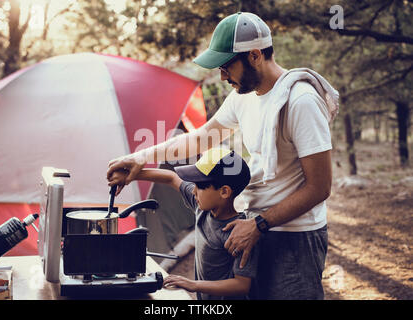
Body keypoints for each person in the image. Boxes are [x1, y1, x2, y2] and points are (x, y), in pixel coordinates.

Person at [107, 12, 339, 299]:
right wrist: (140, 158)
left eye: (227, 66)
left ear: (254, 55)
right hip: (255, 226)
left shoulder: (300, 101)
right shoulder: (243, 96)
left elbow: (320, 187)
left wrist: (259, 224)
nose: (222, 75)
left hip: (295, 237)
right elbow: (203, 137)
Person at [109, 147, 257, 300]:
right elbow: (171, 178)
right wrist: (130, 176)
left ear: (224, 192)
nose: (193, 191)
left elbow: (241, 284)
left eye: (199, 186)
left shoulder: (240, 233)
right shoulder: (202, 207)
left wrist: (194, 285)